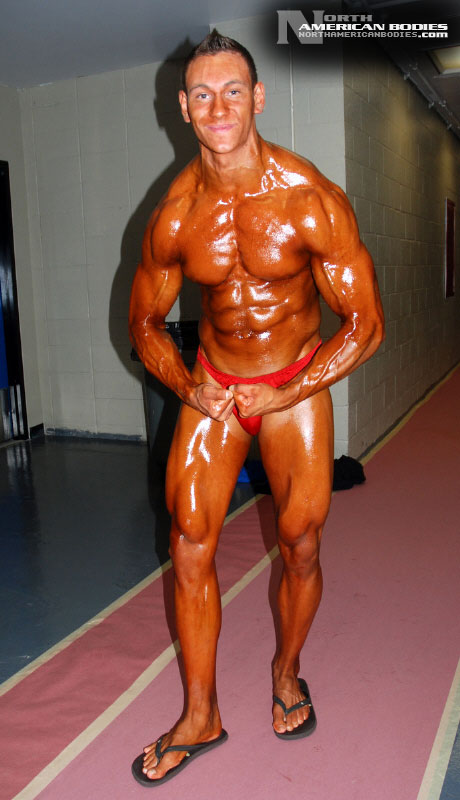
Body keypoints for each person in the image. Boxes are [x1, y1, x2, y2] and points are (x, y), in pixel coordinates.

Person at [129, 29, 384, 786]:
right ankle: (200, 714)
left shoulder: (310, 199)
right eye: (202, 95)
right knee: (188, 542)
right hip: (214, 383)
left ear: (258, 98)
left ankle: (286, 670)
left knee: (299, 543)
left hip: (292, 386)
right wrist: (189, 386)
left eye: (233, 91)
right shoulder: (175, 215)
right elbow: (144, 324)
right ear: (182, 107)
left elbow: (366, 325)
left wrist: (286, 391)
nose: (218, 108)